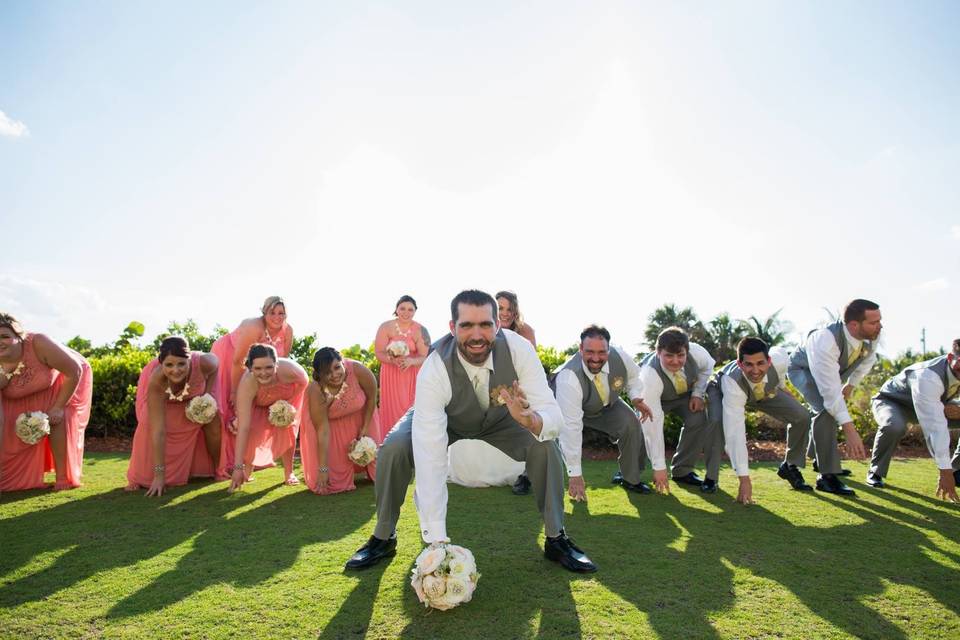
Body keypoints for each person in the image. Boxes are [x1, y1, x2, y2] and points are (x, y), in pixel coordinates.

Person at [345, 290, 596, 573]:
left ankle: (556, 536)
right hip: (446, 418)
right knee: (394, 448)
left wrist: (533, 421)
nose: (477, 335)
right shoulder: (435, 365)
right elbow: (430, 456)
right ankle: (383, 535)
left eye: (485, 325)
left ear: (497, 325)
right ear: (452, 328)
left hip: (504, 420)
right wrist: (437, 541)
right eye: (466, 326)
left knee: (545, 443)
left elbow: (551, 413)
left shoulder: (519, 350)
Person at [703, 337, 816, 503]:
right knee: (718, 423)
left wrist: (782, 388)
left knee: (802, 416)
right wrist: (744, 479)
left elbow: (780, 375)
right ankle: (711, 478)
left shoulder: (780, 359)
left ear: (769, 361)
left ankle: (790, 466)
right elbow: (735, 433)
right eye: (749, 364)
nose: (755, 370)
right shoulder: (731, 383)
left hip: (763, 391)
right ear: (740, 364)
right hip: (720, 391)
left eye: (760, 363)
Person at [787, 299, 881, 496]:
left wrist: (851, 385)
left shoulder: (871, 334)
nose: (879, 326)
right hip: (803, 370)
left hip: (834, 372)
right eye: (873, 322)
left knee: (827, 409)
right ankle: (826, 476)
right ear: (854, 325)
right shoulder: (825, 340)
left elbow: (867, 360)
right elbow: (830, 395)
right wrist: (850, 430)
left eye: (879, 321)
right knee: (825, 410)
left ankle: (820, 460)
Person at [447, 291, 534, 490]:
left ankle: (523, 474)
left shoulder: (525, 332)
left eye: (510, 309)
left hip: (513, 387)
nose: (505, 313)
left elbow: (529, 366)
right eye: (501, 308)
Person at [555, 324, 654, 501]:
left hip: (605, 405)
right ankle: (529, 475)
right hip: (566, 410)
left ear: (609, 349)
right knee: (549, 440)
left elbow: (633, 377)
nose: (595, 358)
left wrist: (636, 398)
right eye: (589, 352)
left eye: (602, 352)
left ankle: (629, 478)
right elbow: (570, 429)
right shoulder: (568, 378)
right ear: (580, 349)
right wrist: (575, 475)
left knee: (631, 423)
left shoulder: (620, 356)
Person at [0, 313, 93, 492]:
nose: (0, 342)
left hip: (63, 382)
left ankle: (62, 478)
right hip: (17, 396)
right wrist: (7, 373)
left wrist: (58, 407)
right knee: (12, 427)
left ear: (19, 336)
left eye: (5, 336)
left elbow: (74, 370)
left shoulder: (39, 343)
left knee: (57, 419)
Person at [125, 336, 222, 496]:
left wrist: (206, 395)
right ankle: (142, 475)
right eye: (169, 365)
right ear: (161, 363)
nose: (175, 370)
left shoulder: (205, 362)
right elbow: (159, 431)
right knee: (149, 426)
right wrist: (159, 476)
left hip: (192, 396)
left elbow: (216, 365)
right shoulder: (157, 379)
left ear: (189, 360)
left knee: (213, 420)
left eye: (181, 364)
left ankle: (220, 468)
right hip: (163, 400)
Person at [866, 339, 960, 501]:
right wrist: (944, 471)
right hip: (893, 401)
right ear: (951, 357)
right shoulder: (928, 377)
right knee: (894, 426)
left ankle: (957, 471)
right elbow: (935, 428)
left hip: (932, 405)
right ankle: (875, 472)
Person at [211, 296, 294, 479]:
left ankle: (247, 459)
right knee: (229, 409)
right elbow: (238, 361)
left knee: (255, 412)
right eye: (272, 312)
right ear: (263, 312)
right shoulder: (254, 327)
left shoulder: (288, 332)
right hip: (230, 360)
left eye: (281, 313)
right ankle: (227, 464)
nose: (277, 317)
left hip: (259, 370)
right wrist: (234, 390)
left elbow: (280, 362)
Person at [639, 327, 716, 492]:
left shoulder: (698, 354)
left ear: (687, 351)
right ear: (658, 352)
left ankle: (682, 471)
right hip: (654, 397)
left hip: (684, 395)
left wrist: (697, 394)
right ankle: (630, 473)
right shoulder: (649, 375)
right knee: (638, 428)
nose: (675, 361)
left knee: (698, 418)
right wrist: (660, 467)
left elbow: (707, 368)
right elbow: (654, 423)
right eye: (669, 355)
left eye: (680, 355)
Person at [227, 344, 308, 491]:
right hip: (259, 403)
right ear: (250, 367)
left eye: (269, 367)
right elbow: (243, 428)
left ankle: (289, 473)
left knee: (287, 428)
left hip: (287, 397)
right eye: (257, 368)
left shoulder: (291, 371)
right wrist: (237, 467)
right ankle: (247, 468)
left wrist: (288, 406)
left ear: (276, 365)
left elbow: (304, 382)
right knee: (252, 431)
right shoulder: (247, 383)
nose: (263, 373)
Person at [301, 347, 381, 494]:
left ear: (342, 362)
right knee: (334, 483)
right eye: (327, 373)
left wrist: (365, 427)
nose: (335, 375)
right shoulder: (316, 390)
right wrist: (323, 468)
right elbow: (322, 430)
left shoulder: (358, 370)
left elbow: (371, 398)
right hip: (332, 427)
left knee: (379, 471)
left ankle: (370, 470)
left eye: (337, 367)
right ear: (319, 374)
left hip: (363, 415)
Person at [374, 295, 430, 434]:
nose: (406, 312)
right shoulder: (385, 327)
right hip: (391, 374)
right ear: (396, 309)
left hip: (412, 374)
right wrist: (392, 359)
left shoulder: (421, 330)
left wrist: (411, 361)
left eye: (410, 309)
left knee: (411, 408)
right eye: (402, 308)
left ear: (415, 311)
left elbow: (426, 356)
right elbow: (379, 352)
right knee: (391, 409)